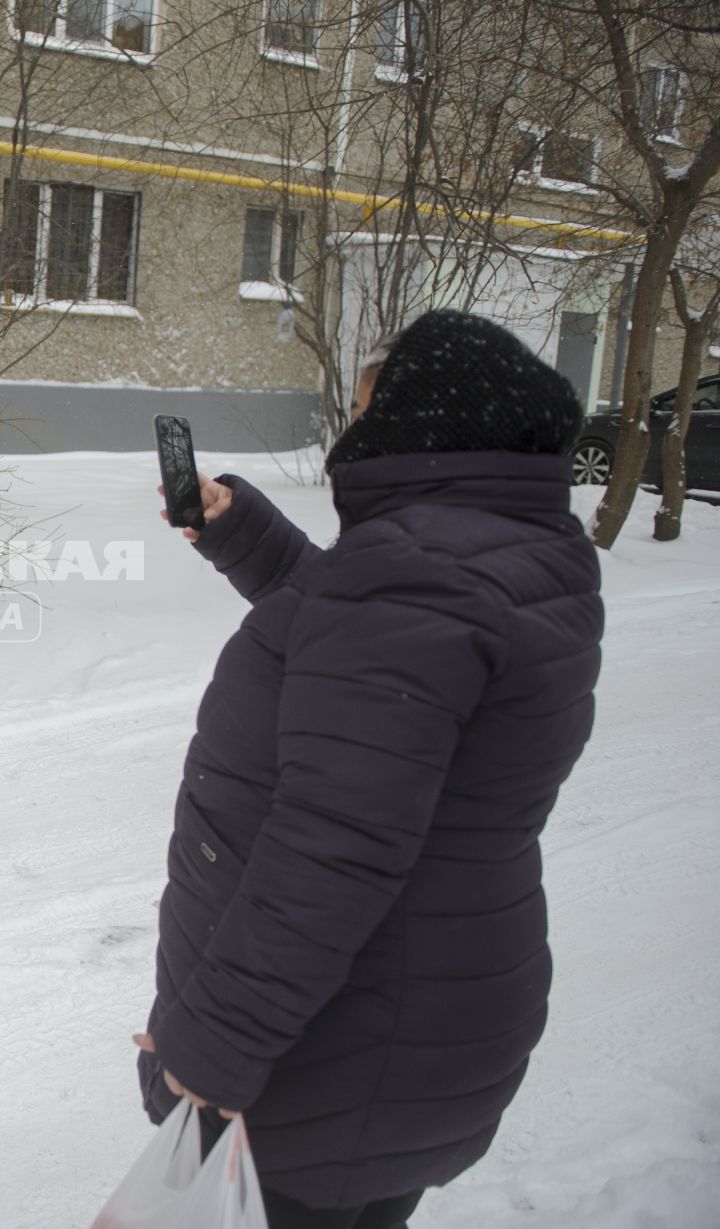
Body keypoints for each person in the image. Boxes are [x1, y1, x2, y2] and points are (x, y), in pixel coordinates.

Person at [134, 310, 603, 1228]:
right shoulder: (518, 551)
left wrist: (210, 1053)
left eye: (366, 410)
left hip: (334, 1048)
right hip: (436, 1019)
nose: (356, 434)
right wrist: (247, 536)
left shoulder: (407, 576)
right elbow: (383, 665)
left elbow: (330, 854)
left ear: (423, 421)